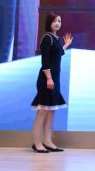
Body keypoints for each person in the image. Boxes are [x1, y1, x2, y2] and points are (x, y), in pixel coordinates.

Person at [30, 12, 72, 153]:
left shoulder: (56, 38)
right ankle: (37, 143)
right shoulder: (47, 38)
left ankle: (47, 141)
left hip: (55, 78)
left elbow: (58, 54)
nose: (57, 23)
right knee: (42, 111)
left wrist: (66, 45)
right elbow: (45, 60)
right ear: (48, 23)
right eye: (54, 21)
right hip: (47, 79)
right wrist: (48, 78)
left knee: (51, 111)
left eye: (59, 21)